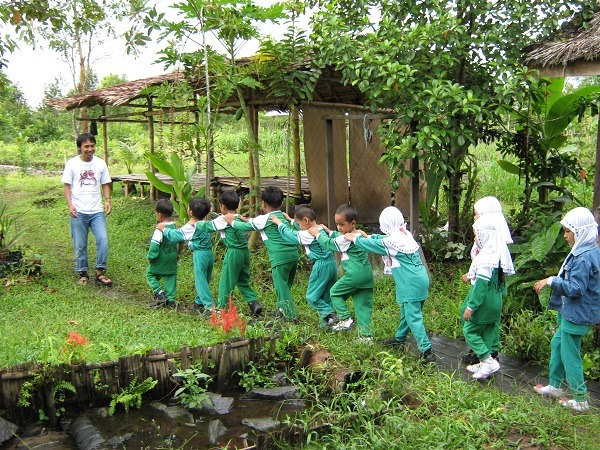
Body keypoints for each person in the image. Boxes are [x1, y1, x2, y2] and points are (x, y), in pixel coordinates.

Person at [345, 206, 435, 362]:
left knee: (413, 316)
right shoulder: (403, 233)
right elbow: (381, 240)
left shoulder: (393, 241)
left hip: (410, 283)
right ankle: (399, 338)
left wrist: (355, 238)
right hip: (420, 279)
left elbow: (375, 246)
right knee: (407, 311)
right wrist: (367, 235)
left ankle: (427, 351)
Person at [532, 207, 600, 412]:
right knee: (558, 343)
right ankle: (555, 386)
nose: (565, 236)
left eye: (568, 231)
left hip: (577, 314)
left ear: (580, 232)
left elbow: (577, 289)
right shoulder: (586, 250)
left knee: (570, 354)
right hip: (569, 311)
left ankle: (580, 399)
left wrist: (552, 281)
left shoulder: (583, 258)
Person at [224, 186, 299, 322]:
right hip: (293, 255)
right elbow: (254, 221)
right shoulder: (281, 215)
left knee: (281, 287)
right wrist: (245, 218)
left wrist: (232, 221)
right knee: (285, 285)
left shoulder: (263, 219)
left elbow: (244, 227)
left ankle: (290, 316)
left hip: (279, 257)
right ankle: (282, 309)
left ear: (263, 204)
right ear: (281, 203)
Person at [460, 214, 515, 379]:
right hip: (496, 302)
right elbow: (502, 285)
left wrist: (471, 307)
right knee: (488, 332)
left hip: (483, 304)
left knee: (469, 330)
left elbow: (480, 288)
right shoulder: (499, 256)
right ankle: (485, 361)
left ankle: (488, 361)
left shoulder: (485, 259)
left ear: (485, 236)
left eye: (477, 234)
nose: (475, 238)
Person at [309, 204, 374, 341]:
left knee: (335, 292)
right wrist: (329, 231)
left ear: (353, 223)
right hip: (367, 276)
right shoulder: (358, 234)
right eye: (336, 224)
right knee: (363, 307)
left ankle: (345, 319)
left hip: (354, 275)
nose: (338, 227)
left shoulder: (346, 238)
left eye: (341, 224)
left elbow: (329, 244)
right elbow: (337, 235)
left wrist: (318, 234)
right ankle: (366, 336)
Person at [194, 190, 262, 316]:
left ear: (222, 206)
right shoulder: (239, 218)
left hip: (233, 253)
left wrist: (195, 223)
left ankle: (221, 308)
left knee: (226, 281)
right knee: (242, 280)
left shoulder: (224, 219)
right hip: (244, 252)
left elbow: (208, 227)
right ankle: (253, 303)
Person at [271, 205, 339, 328]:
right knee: (327, 295)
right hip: (332, 264)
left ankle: (329, 314)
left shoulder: (308, 234)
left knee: (312, 296)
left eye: (299, 222)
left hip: (321, 266)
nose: (298, 225)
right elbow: (300, 228)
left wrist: (280, 223)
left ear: (306, 220)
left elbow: (291, 235)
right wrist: (291, 220)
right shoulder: (320, 229)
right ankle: (327, 324)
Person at [61, 132, 113, 286]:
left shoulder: (100, 163)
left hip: (96, 210)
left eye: (92, 146)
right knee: (80, 244)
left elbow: (105, 183)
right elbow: (67, 186)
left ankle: (100, 272)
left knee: (103, 239)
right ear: (79, 148)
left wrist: (108, 200)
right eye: (86, 146)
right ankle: (83, 273)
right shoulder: (72, 164)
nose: (90, 149)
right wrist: (70, 205)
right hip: (79, 211)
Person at [157, 197, 214, 314]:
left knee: (200, 281)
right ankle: (199, 302)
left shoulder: (190, 227)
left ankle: (210, 307)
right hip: (209, 254)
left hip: (200, 255)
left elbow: (175, 236)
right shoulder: (205, 224)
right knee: (205, 279)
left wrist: (164, 229)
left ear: (190, 212)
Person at [147, 198, 179, 308]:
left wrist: (151, 257)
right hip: (172, 258)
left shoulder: (159, 229)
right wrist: (178, 253)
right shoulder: (175, 226)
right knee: (170, 277)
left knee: (150, 274)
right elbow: (181, 240)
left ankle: (160, 293)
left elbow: (154, 246)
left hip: (161, 258)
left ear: (160, 215)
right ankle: (171, 301)